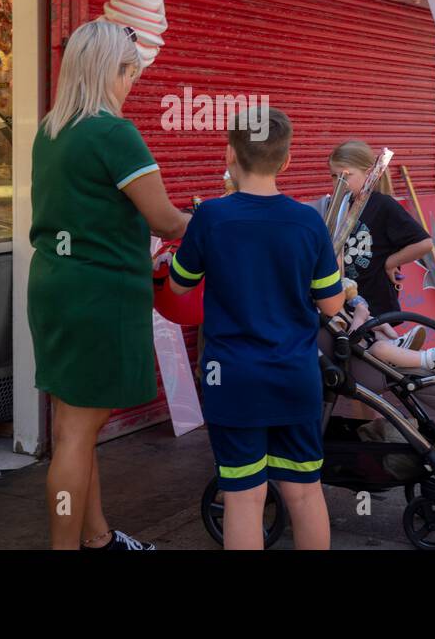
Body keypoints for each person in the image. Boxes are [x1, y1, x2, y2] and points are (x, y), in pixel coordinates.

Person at [28, 20, 190, 551]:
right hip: (100, 293)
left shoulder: (51, 130)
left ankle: (96, 537)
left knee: (74, 424)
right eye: (129, 71)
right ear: (108, 70)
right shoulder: (113, 132)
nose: (133, 82)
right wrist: (219, 219)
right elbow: (165, 220)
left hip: (55, 286)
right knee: (77, 432)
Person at [169, 107, 345, 550]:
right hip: (295, 376)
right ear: (285, 161)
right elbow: (332, 303)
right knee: (305, 493)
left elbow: (177, 283)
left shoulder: (211, 217)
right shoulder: (308, 222)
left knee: (244, 498)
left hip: (232, 378)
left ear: (230, 154)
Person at [326, 140, 435, 372]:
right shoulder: (340, 207)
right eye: (334, 177)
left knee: (370, 366)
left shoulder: (382, 205)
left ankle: (424, 360)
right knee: (361, 374)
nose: (339, 183)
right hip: (349, 299)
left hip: (375, 297)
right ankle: (407, 353)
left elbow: (424, 242)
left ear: (369, 173)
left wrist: (390, 262)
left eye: (346, 175)